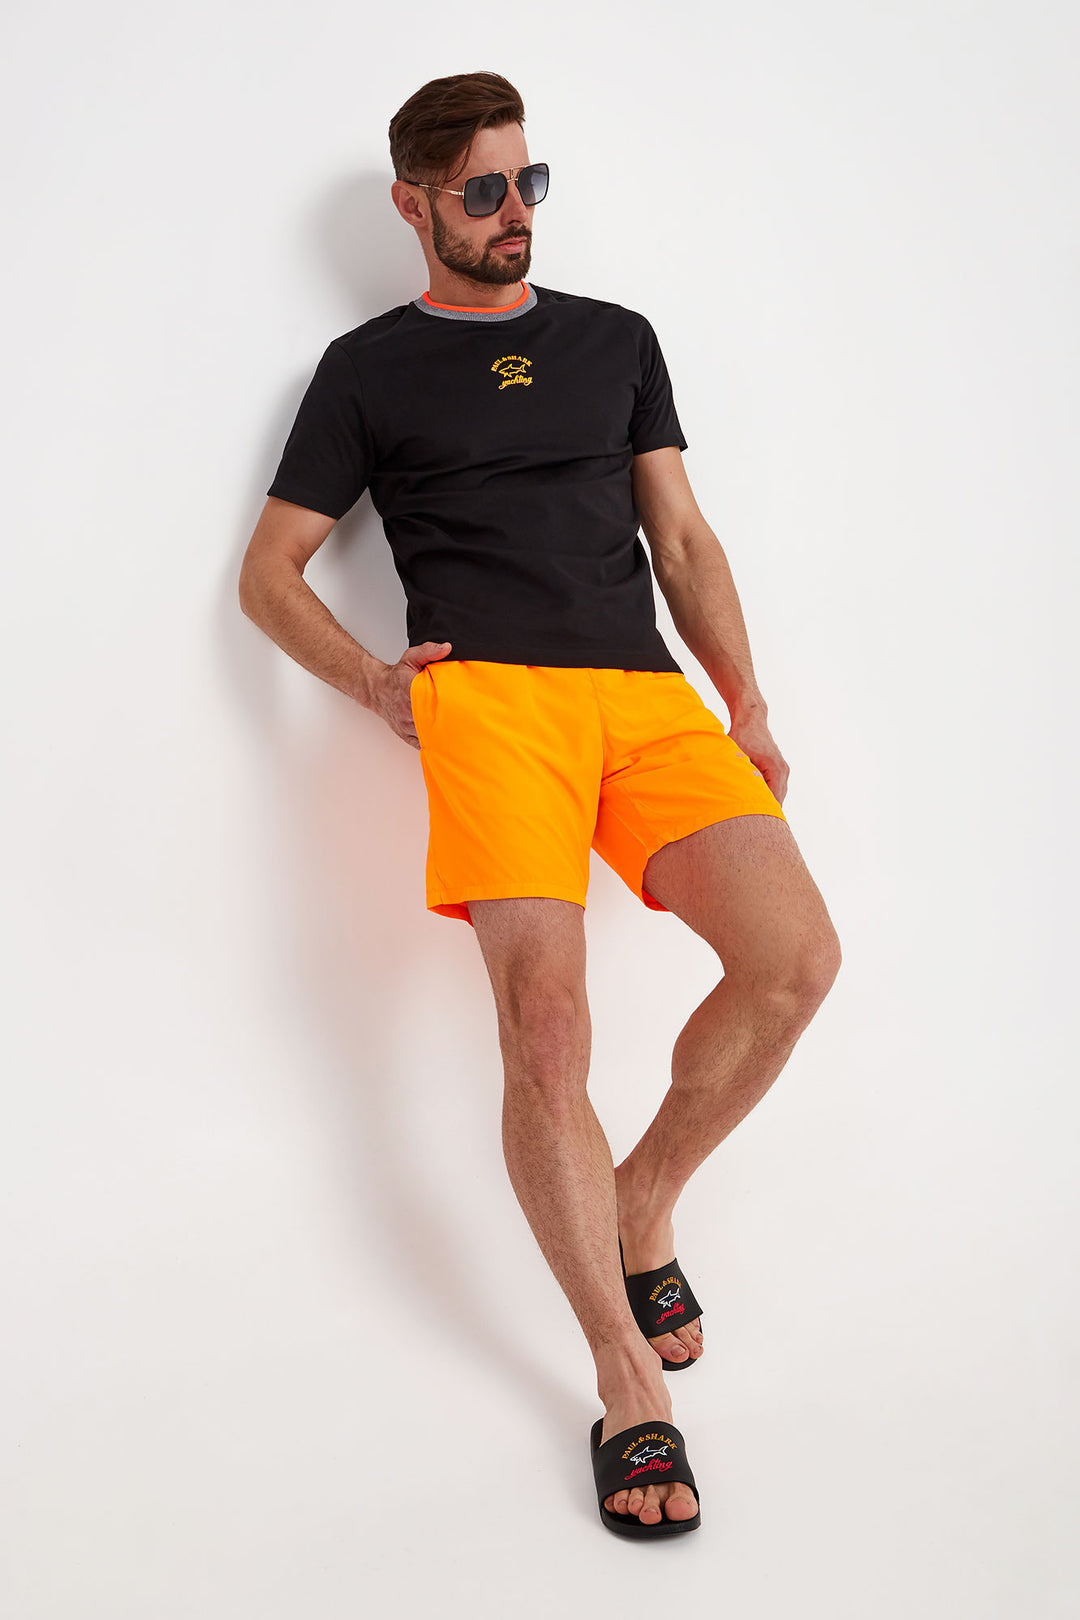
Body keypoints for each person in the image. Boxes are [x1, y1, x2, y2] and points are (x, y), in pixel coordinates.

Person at [239, 70, 842, 1539]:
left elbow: (681, 537)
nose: (516, 213)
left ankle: (643, 1201)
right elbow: (268, 575)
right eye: (483, 191)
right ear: (415, 205)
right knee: (548, 1030)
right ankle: (624, 1377)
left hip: (643, 695)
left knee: (795, 962)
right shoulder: (365, 370)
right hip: (491, 705)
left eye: (530, 182)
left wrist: (746, 700)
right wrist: (377, 685)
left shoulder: (616, 339)